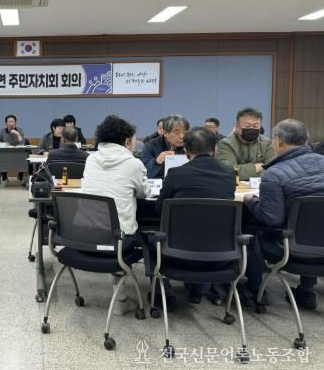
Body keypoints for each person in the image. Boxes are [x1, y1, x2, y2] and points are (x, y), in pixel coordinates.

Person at [243, 119, 324, 310]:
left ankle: (255, 290)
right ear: (306, 140)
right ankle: (306, 290)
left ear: (278, 141)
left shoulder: (274, 174)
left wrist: (251, 200)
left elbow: (272, 219)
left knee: (248, 230)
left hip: (290, 249)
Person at [155, 127, 236, 305]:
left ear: (186, 151)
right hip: (220, 252)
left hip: (177, 251)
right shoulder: (229, 173)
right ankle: (200, 288)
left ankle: (162, 294)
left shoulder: (175, 174)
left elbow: (160, 210)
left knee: (151, 237)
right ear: (214, 150)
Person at [81, 115, 150, 315]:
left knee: (114, 227)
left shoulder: (91, 159)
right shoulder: (134, 164)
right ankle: (123, 298)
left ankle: (119, 293)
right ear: (127, 141)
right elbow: (144, 193)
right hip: (119, 240)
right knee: (144, 234)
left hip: (85, 234)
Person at [217, 107, 275, 181]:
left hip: (261, 186)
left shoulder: (266, 143)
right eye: (247, 126)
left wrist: (240, 171)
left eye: (255, 126)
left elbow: (273, 171)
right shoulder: (226, 144)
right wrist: (256, 168)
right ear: (237, 126)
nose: (251, 128)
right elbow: (228, 171)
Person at [141, 115, 189, 179]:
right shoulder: (150, 146)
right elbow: (143, 174)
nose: (182, 136)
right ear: (165, 133)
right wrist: (156, 162)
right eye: (177, 133)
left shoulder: (191, 146)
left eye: (185, 133)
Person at [0, 115, 26, 187]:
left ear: (15, 123)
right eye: (9, 122)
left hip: (18, 154)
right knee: (2, 159)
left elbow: (22, 143)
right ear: (6, 123)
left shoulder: (20, 130)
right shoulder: (2, 131)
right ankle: (4, 178)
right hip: (5, 153)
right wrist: (4, 144)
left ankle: (21, 176)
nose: (11, 124)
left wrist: (17, 134)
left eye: (13, 122)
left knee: (24, 158)